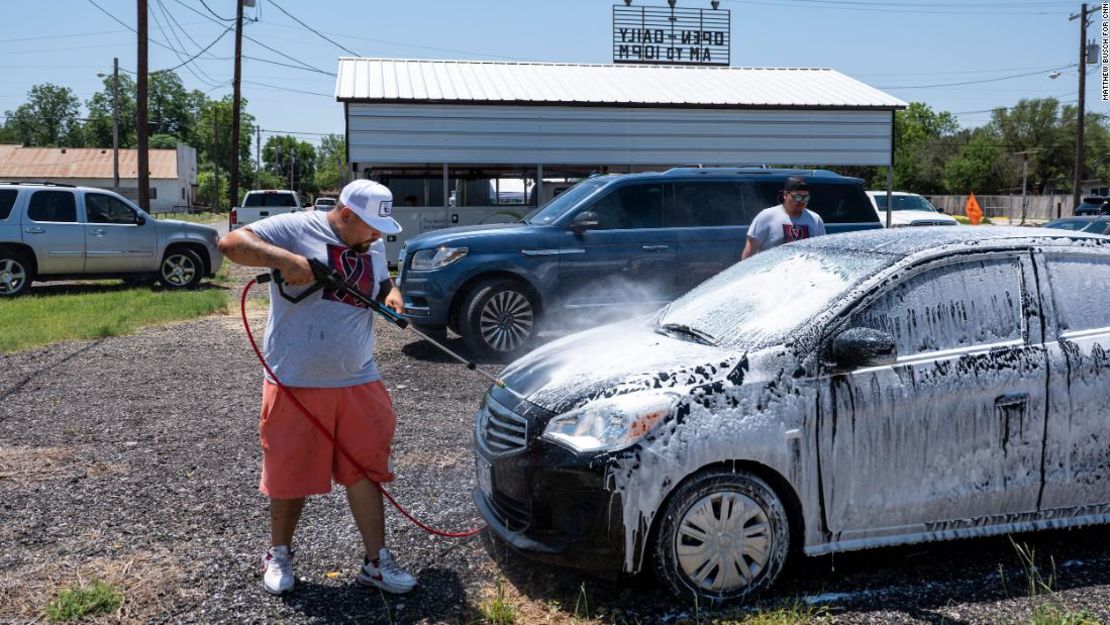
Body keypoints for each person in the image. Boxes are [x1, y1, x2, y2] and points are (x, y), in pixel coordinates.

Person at [217, 179, 415, 597]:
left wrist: (391, 292)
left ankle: (375, 562)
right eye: (371, 227)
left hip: (358, 377)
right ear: (345, 214)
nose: (378, 236)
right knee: (289, 474)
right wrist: (286, 260)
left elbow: (379, 281)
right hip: (295, 380)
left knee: (365, 469)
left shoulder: (372, 243)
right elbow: (231, 243)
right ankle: (279, 554)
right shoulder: (296, 227)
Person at [741, 176, 827, 260]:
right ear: (785, 195)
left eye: (806, 197)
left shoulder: (815, 219)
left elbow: (822, 255)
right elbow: (749, 253)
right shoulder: (766, 217)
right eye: (798, 197)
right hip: (772, 272)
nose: (802, 201)